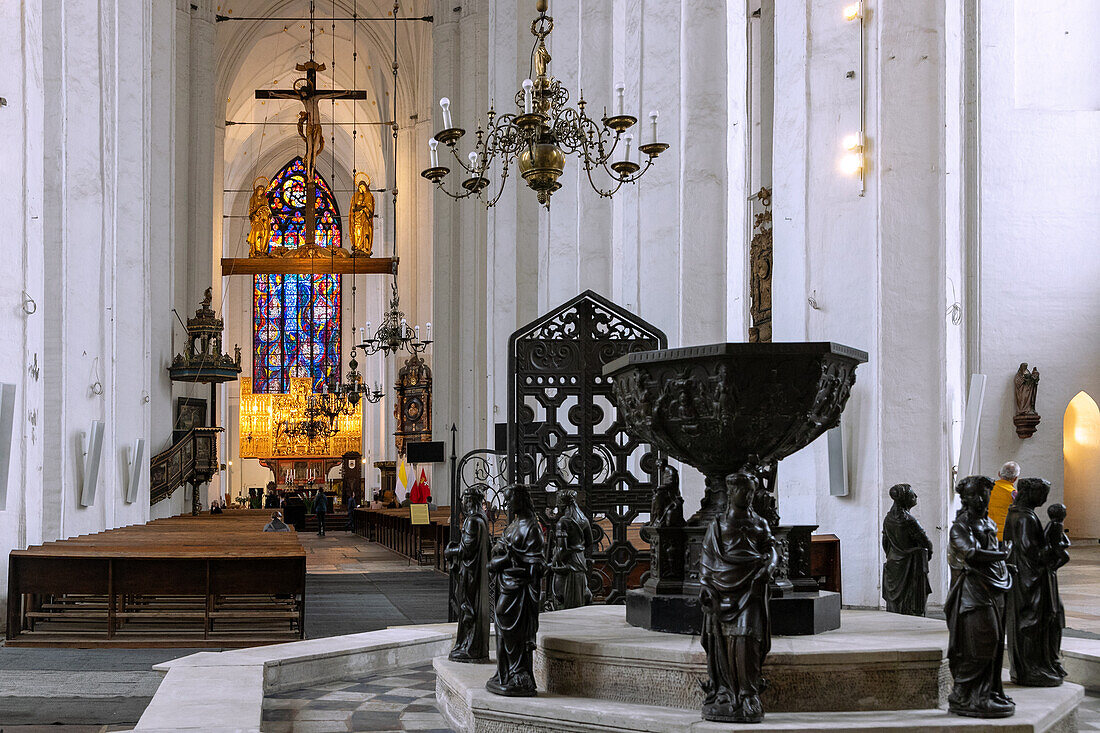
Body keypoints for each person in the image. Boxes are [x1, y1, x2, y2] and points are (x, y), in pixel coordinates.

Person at [988, 461, 1020, 541]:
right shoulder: (1014, 493)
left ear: (999, 474)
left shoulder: (988, 488)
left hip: (988, 532)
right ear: (1015, 478)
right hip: (1005, 535)